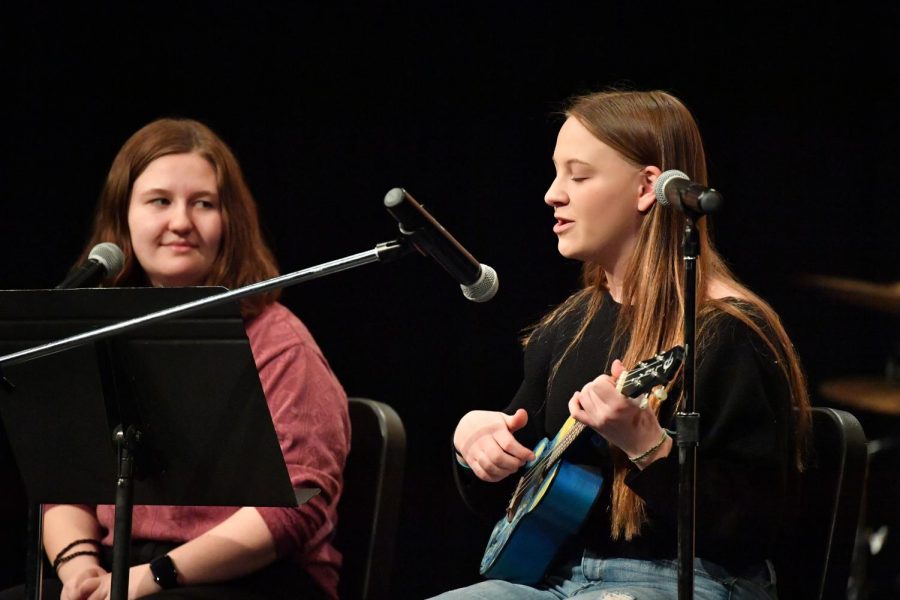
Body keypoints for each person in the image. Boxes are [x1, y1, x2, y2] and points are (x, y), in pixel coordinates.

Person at [433, 90, 811, 600]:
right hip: (558, 579)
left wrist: (648, 448)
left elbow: (761, 524)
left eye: (579, 175)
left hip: (689, 580)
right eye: (555, 172)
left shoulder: (726, 331)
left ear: (646, 188)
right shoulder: (566, 327)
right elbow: (517, 496)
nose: (552, 194)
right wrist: (473, 443)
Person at [1, 118, 350, 600]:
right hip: (119, 568)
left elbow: (294, 507)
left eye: (203, 204)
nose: (181, 222)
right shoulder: (95, 334)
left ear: (230, 222)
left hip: (250, 576)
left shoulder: (280, 342)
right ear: (123, 217)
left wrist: (149, 578)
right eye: (159, 201)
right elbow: (63, 480)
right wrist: (80, 570)